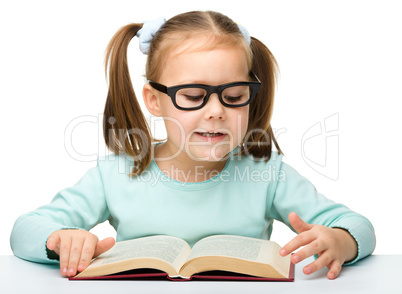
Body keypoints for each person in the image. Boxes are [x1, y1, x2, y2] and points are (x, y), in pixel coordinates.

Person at [10, 10, 375, 280]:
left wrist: (341, 241)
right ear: (154, 101)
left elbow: (357, 226)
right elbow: (24, 230)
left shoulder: (267, 174)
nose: (216, 111)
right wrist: (62, 239)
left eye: (234, 95)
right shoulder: (116, 173)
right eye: (193, 96)